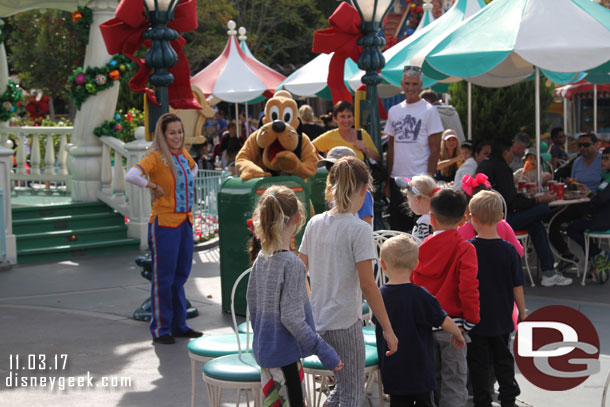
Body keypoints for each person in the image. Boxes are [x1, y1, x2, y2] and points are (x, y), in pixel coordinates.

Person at [298, 157, 398, 407]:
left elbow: (301, 272)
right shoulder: (359, 229)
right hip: (344, 322)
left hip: (319, 321)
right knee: (352, 393)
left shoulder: (315, 222)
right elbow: (368, 284)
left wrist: (312, 303)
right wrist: (387, 326)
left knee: (342, 390)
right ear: (365, 190)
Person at [246, 185, 343, 407]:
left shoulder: (261, 258)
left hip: (265, 354)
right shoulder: (292, 264)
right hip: (285, 357)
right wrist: (323, 350)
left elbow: (252, 307)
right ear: (298, 218)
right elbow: (291, 317)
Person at [125, 113, 202, 344]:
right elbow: (131, 175)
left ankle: (179, 325)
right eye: (172, 132)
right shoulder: (156, 157)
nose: (177, 136)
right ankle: (161, 329)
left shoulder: (183, 155)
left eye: (180, 132)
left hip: (185, 222)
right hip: (165, 223)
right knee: (164, 278)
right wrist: (152, 185)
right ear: (163, 134)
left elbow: (194, 168)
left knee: (180, 276)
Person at [375, 234, 465, 407]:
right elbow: (443, 319)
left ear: (383, 264)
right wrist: (458, 334)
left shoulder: (379, 296)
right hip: (421, 369)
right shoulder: (421, 295)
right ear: (416, 265)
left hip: (394, 370)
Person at [410, 189, 480, 407]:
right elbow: (468, 288)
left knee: (431, 382)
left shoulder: (420, 249)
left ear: (431, 218)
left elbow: (414, 286)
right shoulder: (465, 248)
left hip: (424, 325)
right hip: (454, 327)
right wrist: (471, 320)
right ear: (463, 219)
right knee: (455, 381)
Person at [476, 137, 572, 287]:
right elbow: (512, 202)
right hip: (502, 220)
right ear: (505, 152)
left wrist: (530, 198)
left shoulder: (484, 165)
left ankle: (548, 272)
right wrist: (538, 200)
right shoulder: (502, 168)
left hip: (484, 217)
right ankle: (548, 272)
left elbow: (510, 198)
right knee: (542, 209)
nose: (512, 157)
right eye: (510, 153)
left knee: (536, 224)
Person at [467, 191, 526, 407]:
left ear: (472, 217)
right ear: (501, 216)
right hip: (502, 316)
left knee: (478, 362)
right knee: (503, 359)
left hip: (476, 318)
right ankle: (508, 396)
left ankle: (482, 399)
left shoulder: (468, 249)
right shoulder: (510, 250)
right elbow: (517, 285)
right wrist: (522, 312)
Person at [384, 65, 444, 232]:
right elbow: (391, 147)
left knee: (422, 229)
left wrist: (429, 182)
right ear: (402, 84)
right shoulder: (394, 111)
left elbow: (435, 149)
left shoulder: (429, 111)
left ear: (420, 85)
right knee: (398, 230)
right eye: (407, 84)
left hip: (420, 182)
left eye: (414, 84)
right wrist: (387, 181)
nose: (411, 88)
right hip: (398, 180)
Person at [548, 132, 603, 263]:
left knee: (578, 227)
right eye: (580, 145)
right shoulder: (577, 162)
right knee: (551, 221)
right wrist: (570, 185)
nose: (582, 148)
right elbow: (574, 183)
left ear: (596, 145)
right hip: (576, 201)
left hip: (595, 203)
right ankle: (566, 256)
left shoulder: (604, 160)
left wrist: (589, 192)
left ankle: (594, 259)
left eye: (586, 145)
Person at [567, 146, 610, 278]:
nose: (603, 161)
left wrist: (589, 194)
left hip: (604, 220)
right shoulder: (605, 177)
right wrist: (588, 192)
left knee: (572, 228)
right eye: (602, 158)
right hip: (601, 217)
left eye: (607, 159)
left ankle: (597, 253)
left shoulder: (608, 179)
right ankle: (596, 256)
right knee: (576, 224)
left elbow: (600, 200)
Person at [318, 146, 374, 226]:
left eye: (341, 168)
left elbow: (367, 224)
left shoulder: (362, 194)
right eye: (329, 167)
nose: (333, 172)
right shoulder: (333, 190)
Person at [313, 101, 380, 162]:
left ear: (353, 117)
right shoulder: (329, 136)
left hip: (360, 175)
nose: (346, 120)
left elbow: (377, 157)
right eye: (342, 116)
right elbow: (310, 148)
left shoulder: (362, 134)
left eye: (349, 116)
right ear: (335, 119)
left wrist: (365, 150)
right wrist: (325, 163)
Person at [396, 175, 439, 241]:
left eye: (409, 199)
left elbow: (424, 246)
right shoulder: (441, 216)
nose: (408, 203)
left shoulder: (423, 222)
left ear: (416, 200)